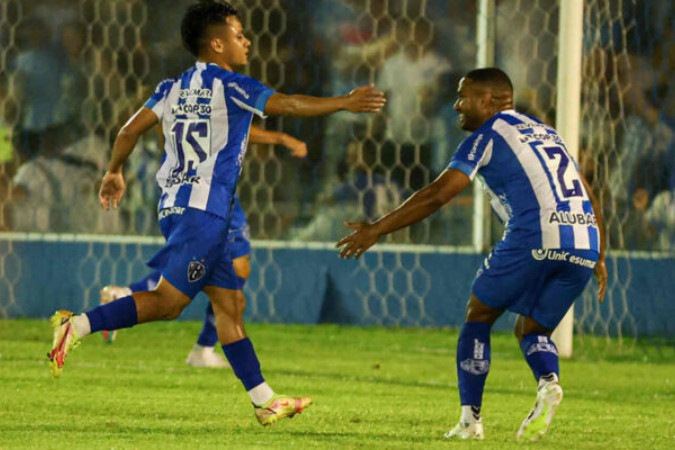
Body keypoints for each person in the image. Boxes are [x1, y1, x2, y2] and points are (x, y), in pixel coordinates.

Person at [47, 0, 385, 427]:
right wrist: (345, 102)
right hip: (203, 212)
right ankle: (76, 327)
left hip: (178, 207)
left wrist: (114, 171)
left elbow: (128, 130)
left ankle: (265, 401)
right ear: (216, 43)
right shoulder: (230, 84)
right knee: (170, 304)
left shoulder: (170, 87)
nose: (245, 40)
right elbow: (288, 105)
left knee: (230, 305)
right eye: (237, 33)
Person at [336, 68, 607, 442]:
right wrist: (600, 256)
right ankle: (548, 382)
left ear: (488, 101)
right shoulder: (547, 133)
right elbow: (589, 195)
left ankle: (470, 421)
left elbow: (438, 194)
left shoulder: (487, 136)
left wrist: (377, 228)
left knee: (479, 314)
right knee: (532, 328)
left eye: (463, 97)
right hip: (583, 240)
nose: (456, 105)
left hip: (535, 234)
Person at [100, 126, 308, 369]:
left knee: (221, 266)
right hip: (208, 191)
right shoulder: (218, 92)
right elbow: (235, 127)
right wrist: (281, 137)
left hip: (186, 185)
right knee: (226, 270)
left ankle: (199, 346)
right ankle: (199, 347)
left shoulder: (178, 94)